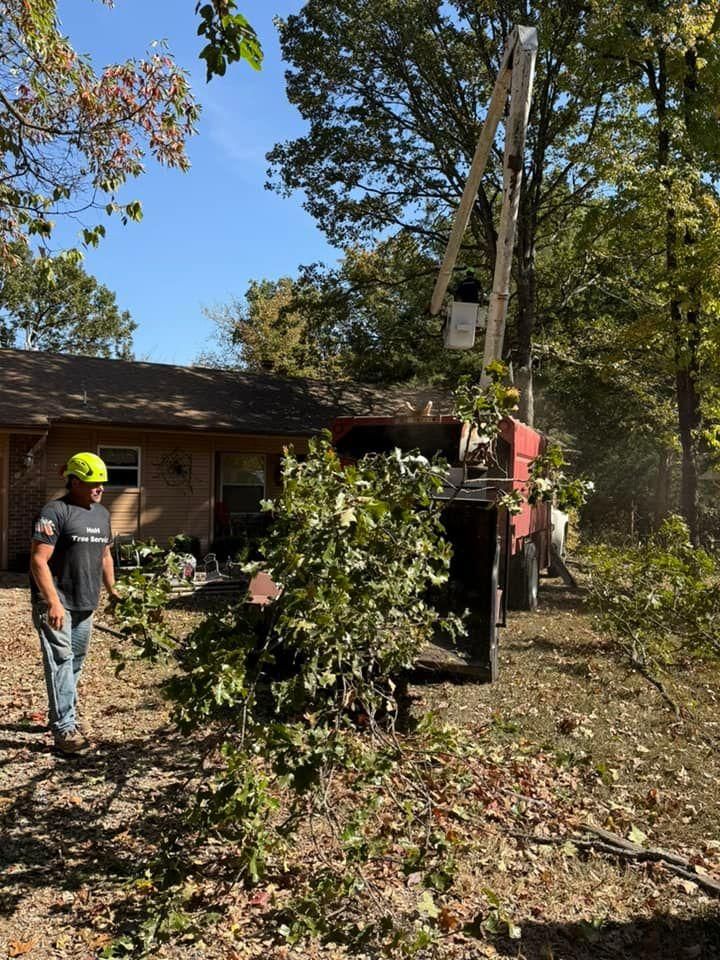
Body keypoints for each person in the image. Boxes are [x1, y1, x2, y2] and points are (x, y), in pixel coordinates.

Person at [29, 452, 119, 755]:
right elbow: (38, 561)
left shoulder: (102, 514)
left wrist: (113, 591)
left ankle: (62, 713)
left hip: (86, 601)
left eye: (103, 483)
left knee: (75, 661)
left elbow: (105, 555)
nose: (101, 488)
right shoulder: (55, 511)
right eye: (95, 483)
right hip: (57, 602)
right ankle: (65, 727)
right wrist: (52, 601)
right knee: (61, 661)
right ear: (76, 481)